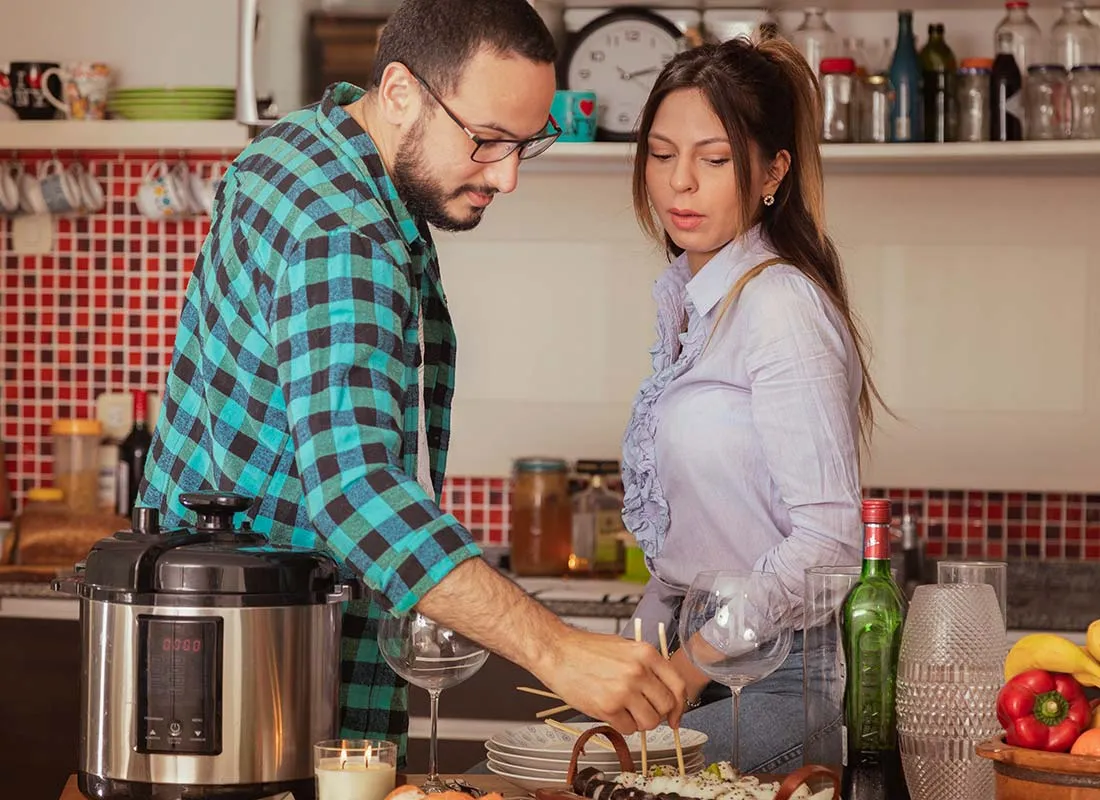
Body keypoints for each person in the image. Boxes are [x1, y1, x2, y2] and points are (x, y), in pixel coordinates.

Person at [138, 0, 685, 766]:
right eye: (488, 140)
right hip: (275, 684)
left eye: (528, 143)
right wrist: (557, 649)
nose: (509, 176)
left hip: (195, 654)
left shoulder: (295, 147)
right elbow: (355, 490)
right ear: (399, 92)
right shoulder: (346, 232)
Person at [618, 32, 884, 773]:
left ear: (772, 171)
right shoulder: (690, 303)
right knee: (580, 767)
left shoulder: (779, 306)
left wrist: (691, 664)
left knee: (623, 780)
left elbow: (828, 541)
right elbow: (689, 555)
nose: (680, 184)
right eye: (662, 155)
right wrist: (635, 658)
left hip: (783, 680)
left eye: (714, 158)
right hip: (704, 660)